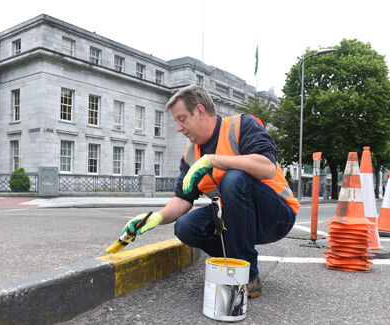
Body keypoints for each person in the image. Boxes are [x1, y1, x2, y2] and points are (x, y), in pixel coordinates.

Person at [121, 85, 299, 298]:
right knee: (186, 227)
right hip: (238, 222)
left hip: (276, 216)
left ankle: (248, 276)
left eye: (181, 119)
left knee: (235, 178)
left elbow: (268, 167)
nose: (178, 128)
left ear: (200, 111)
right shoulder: (190, 156)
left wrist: (213, 160)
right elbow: (182, 200)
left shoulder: (241, 126)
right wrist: (155, 218)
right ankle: (235, 266)